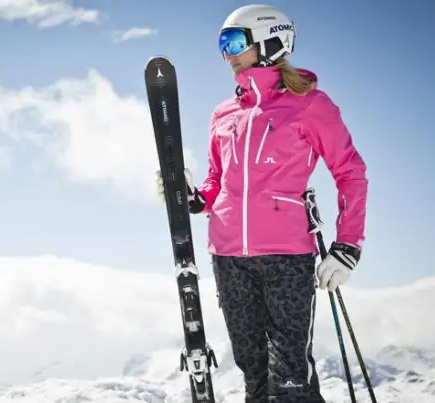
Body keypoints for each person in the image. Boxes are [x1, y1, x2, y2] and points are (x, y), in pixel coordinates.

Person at [155, 4, 368, 403]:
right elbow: (216, 183)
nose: (227, 54)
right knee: (254, 377)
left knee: (289, 379)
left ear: (270, 40)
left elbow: (351, 173)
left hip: (287, 259)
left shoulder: (311, 104)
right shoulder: (224, 114)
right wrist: (191, 197)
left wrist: (347, 246)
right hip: (229, 258)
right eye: (222, 45)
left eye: (234, 41)